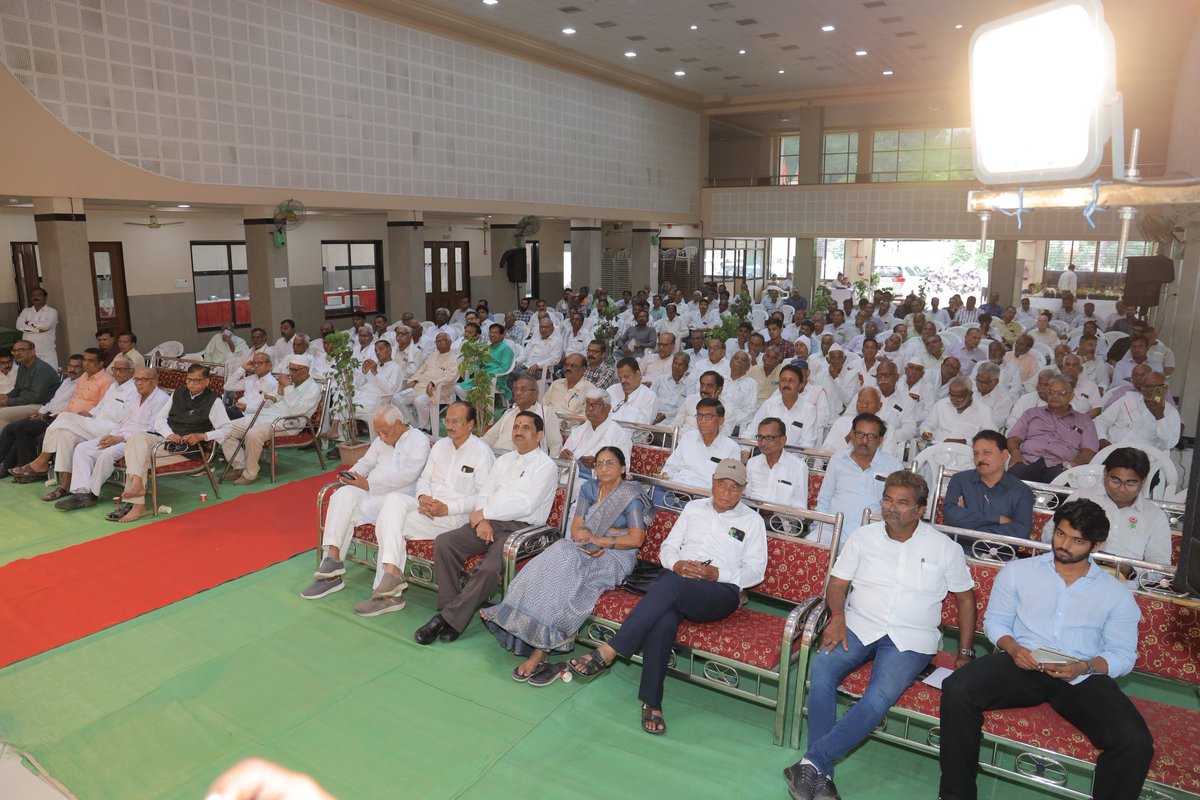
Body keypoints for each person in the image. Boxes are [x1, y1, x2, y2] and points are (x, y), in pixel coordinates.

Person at [938, 499, 1152, 800]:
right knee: (958, 689)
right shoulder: (1019, 571)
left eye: (1077, 540)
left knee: (1135, 741)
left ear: (1097, 544)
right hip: (1022, 662)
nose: (1064, 545)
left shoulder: (1115, 594)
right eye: (1061, 534)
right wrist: (1013, 648)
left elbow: (1123, 654)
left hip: (1080, 675)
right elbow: (996, 622)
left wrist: (1086, 666)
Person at [785, 470, 975, 800]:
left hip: (911, 637)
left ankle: (812, 763)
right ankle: (822, 774)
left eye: (902, 503)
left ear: (921, 510)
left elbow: (966, 599)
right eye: (887, 499)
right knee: (822, 671)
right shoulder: (864, 537)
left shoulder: (944, 548)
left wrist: (966, 652)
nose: (891, 508)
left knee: (878, 696)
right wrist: (838, 616)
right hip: (859, 624)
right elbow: (837, 585)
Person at [566, 459, 767, 736]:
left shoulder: (752, 521)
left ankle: (609, 650)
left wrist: (717, 574)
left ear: (743, 489)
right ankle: (652, 702)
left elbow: (756, 571)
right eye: (722, 484)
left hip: (720, 591)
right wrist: (677, 564)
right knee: (664, 619)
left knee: (669, 587)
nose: (727, 491)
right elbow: (668, 547)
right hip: (679, 581)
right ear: (713, 483)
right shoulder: (694, 508)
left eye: (734, 487)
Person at [481, 445, 650, 685]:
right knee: (554, 556)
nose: (603, 468)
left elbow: (636, 539)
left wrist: (600, 538)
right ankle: (521, 628)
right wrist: (592, 537)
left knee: (571, 573)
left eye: (610, 463)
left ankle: (541, 650)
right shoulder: (590, 488)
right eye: (599, 464)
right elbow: (577, 528)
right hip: (582, 546)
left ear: (623, 468)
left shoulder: (629, 496)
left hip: (616, 555)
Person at [415, 410, 558, 644]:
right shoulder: (504, 460)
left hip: (520, 531)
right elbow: (485, 493)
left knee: (490, 569)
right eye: (516, 426)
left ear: (540, 434)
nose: (519, 431)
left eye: (526, 428)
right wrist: (483, 520)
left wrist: (486, 514)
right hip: (489, 523)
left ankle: (445, 619)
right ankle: (451, 612)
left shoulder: (546, 466)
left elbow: (526, 504)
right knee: (445, 543)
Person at [350, 402, 494, 612]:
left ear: (470, 424)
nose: (449, 426)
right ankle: (391, 575)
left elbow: (483, 498)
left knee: (388, 523)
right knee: (394, 501)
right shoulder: (441, 447)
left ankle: (388, 593)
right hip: (427, 509)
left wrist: (447, 508)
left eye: (456, 421)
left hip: (453, 518)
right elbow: (424, 479)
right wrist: (423, 496)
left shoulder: (481, 452)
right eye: (447, 421)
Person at [301, 406, 431, 601]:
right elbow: (365, 463)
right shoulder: (381, 440)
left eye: (384, 432)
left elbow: (408, 476)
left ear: (398, 424)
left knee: (360, 510)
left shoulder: (418, 441)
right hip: (372, 494)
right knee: (341, 495)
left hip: (398, 499)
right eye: (378, 432)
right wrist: (352, 475)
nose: (381, 437)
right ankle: (332, 563)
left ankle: (384, 594)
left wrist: (369, 484)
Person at [112, 363, 232, 523]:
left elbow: (227, 428)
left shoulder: (213, 401)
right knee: (136, 437)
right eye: (188, 380)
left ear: (206, 382)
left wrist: (203, 436)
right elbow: (160, 419)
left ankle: (138, 504)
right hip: (168, 439)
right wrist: (169, 434)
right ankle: (137, 484)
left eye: (196, 381)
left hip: (188, 449)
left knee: (139, 457)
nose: (191, 384)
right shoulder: (178, 393)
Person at [52, 367, 170, 510]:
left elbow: (152, 429)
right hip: (119, 435)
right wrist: (112, 435)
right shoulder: (134, 396)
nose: (139, 383)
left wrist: (120, 438)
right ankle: (81, 492)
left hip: (137, 441)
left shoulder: (162, 399)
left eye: (143, 380)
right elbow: (122, 421)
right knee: (82, 449)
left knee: (106, 454)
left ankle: (91, 494)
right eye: (137, 379)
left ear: (155, 382)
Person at [1062, 447, 1172, 571]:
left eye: (1130, 483)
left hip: (1125, 581)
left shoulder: (1155, 516)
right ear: (1105, 473)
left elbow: (1160, 566)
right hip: (1075, 573)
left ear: (1143, 481)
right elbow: (1051, 536)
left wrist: (1129, 571)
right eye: (1115, 480)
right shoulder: (1081, 497)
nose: (1121, 489)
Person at [221, 353, 322, 486]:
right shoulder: (288, 382)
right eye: (290, 369)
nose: (291, 373)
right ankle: (240, 466)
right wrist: (279, 392)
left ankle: (250, 473)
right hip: (264, 417)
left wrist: (288, 388)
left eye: (296, 370)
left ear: (306, 370)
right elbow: (266, 403)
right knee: (225, 429)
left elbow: (298, 411)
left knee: (254, 434)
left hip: (287, 423)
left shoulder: (313, 388)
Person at [815, 413, 904, 548]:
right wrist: (820, 525)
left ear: (880, 440)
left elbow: (897, 508)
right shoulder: (837, 459)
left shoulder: (893, 466)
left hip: (872, 534)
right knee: (808, 548)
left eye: (871, 436)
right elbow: (824, 499)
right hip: (832, 530)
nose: (864, 441)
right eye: (860, 434)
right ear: (852, 434)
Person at [942, 429, 1035, 543]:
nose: (980, 459)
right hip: (961, 548)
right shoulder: (960, 480)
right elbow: (950, 514)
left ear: (1004, 455)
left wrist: (968, 526)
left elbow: (1021, 532)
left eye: (987, 452)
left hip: (1001, 552)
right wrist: (997, 519)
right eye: (976, 453)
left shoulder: (1022, 491)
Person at [0, 353, 82, 477]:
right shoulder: (67, 381)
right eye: (70, 366)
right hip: (45, 412)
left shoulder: (81, 384)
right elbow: (52, 401)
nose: (72, 369)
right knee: (12, 428)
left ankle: (19, 467)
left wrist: (45, 415)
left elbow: (68, 408)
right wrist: (41, 412)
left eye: (77, 367)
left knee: (20, 427)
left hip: (57, 419)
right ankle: (10, 465)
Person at [1007, 374, 1099, 483]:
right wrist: (1015, 453)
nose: (1055, 396)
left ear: (1071, 396)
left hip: (1061, 466)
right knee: (1011, 479)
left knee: (1064, 484)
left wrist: (1074, 464)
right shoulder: (1031, 413)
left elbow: (1088, 451)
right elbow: (1014, 437)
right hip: (1029, 461)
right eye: (1051, 392)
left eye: (1062, 393)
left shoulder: (1084, 421)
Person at [660, 397, 742, 489]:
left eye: (708, 416)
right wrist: (666, 475)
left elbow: (728, 484)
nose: (702, 421)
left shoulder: (732, 449)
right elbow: (670, 467)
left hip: (704, 495)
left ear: (721, 421)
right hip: (673, 490)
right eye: (699, 416)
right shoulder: (688, 438)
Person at [1094, 370, 1179, 452]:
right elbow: (1101, 421)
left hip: (1141, 456)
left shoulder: (1171, 412)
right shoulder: (1127, 399)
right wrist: (1102, 439)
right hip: (1110, 448)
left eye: (1153, 386)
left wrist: (1160, 417)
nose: (1148, 389)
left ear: (1165, 388)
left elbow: (1170, 443)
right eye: (1145, 386)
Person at [482, 374, 562, 457]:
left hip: (527, 462)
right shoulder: (509, 413)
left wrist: (551, 464)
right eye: (515, 390)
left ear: (536, 393)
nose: (518, 393)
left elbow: (556, 446)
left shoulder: (546, 414)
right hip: (498, 459)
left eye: (523, 389)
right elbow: (489, 438)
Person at [750, 364, 826, 449]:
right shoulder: (769, 405)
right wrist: (745, 452)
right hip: (765, 454)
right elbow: (750, 432)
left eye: (791, 381)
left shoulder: (809, 410)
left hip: (794, 456)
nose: (786, 384)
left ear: (800, 385)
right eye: (783, 380)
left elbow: (807, 445)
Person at [397, 331, 459, 431]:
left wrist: (433, 383)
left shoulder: (454, 358)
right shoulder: (433, 355)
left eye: (441, 341)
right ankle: (413, 425)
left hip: (437, 390)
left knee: (419, 401)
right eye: (437, 341)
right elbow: (421, 369)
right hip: (419, 387)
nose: (439, 343)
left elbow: (450, 377)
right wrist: (414, 380)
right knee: (396, 398)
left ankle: (424, 427)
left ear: (450, 342)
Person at [560, 389, 633, 475]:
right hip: (570, 478)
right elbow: (561, 460)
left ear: (608, 408)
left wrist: (599, 464)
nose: (590, 409)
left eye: (596, 405)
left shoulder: (619, 435)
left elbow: (624, 470)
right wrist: (562, 457)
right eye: (588, 404)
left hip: (598, 481)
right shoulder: (577, 431)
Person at [745, 416, 810, 508]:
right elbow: (746, 497)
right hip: (752, 513)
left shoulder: (798, 467)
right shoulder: (752, 463)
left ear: (783, 440)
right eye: (760, 437)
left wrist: (774, 511)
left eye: (769, 438)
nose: (763, 443)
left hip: (780, 516)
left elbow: (800, 507)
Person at [0, 339, 61, 428]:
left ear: (33, 352)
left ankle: (5, 437)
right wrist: (4, 397)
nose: (17, 353)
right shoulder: (22, 366)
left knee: (1, 414)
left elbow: (36, 398)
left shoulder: (41, 369)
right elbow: (17, 389)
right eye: (14, 351)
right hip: (27, 403)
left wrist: (9, 401)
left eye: (21, 350)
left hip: (42, 406)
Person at [920, 376, 995, 444]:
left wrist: (965, 442)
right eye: (951, 396)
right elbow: (926, 425)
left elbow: (990, 438)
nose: (954, 400)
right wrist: (926, 433)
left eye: (959, 397)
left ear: (970, 394)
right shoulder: (941, 405)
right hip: (938, 448)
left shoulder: (984, 411)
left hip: (965, 452)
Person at [15, 287, 59, 369]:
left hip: (46, 353)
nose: (36, 297)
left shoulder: (52, 312)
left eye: (39, 295)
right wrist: (38, 329)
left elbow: (46, 326)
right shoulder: (26, 311)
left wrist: (28, 324)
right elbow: (18, 326)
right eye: (33, 295)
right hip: (28, 354)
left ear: (45, 297)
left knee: (49, 376)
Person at [607, 357, 658, 425]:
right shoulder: (612, 389)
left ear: (638, 374)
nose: (622, 381)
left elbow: (641, 427)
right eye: (620, 378)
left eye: (626, 376)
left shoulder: (649, 397)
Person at [542, 353, 594, 418]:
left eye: (573, 366)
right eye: (566, 365)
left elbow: (586, 416)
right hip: (548, 421)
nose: (568, 368)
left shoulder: (590, 390)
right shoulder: (556, 384)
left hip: (572, 423)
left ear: (583, 369)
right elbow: (543, 406)